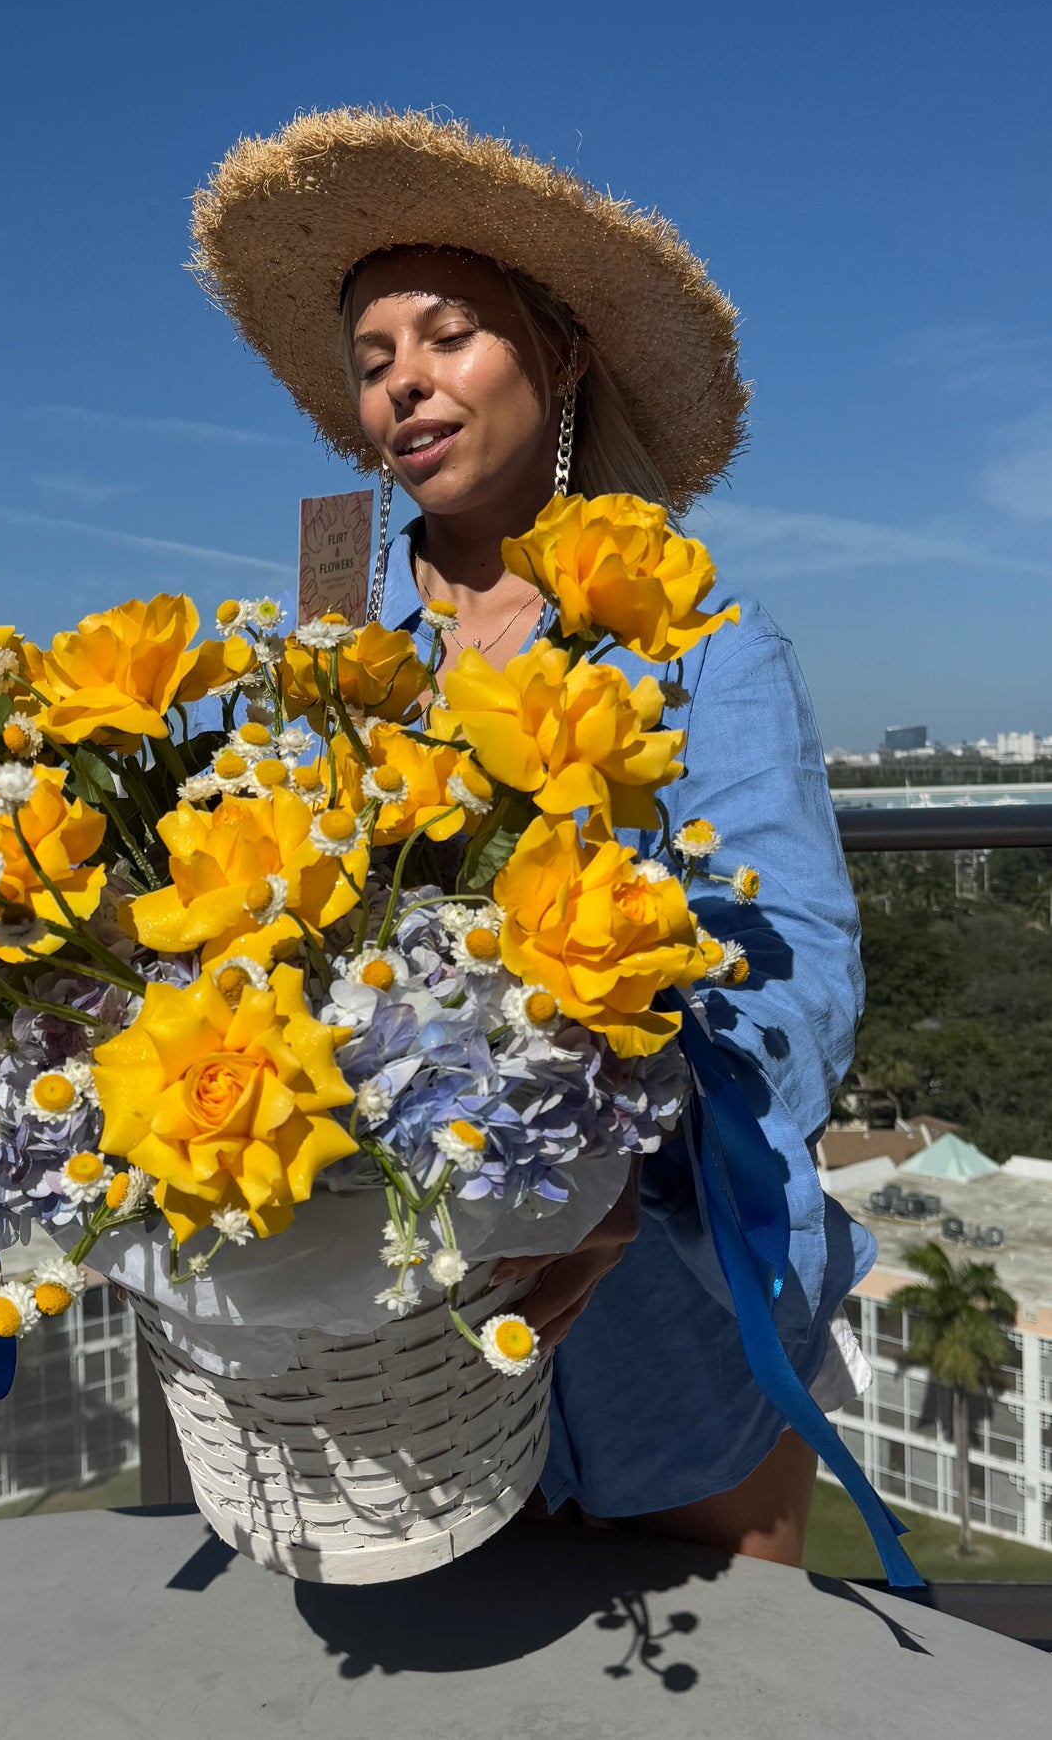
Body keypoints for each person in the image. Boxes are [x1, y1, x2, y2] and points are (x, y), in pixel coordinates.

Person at [189, 108, 883, 1572]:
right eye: (371, 362)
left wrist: (617, 1176)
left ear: (558, 355)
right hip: (389, 1357)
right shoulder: (322, 661)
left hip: (673, 1312)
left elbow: (800, 973)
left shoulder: (698, 649)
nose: (403, 387)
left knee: (735, 1681)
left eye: (447, 337)